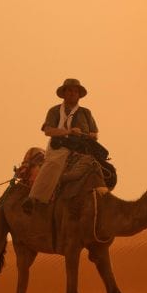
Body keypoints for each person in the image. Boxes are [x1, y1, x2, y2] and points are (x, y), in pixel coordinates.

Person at [24, 78, 99, 212]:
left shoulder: (86, 113)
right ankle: (34, 198)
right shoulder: (54, 111)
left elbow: (95, 134)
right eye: (69, 90)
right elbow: (48, 131)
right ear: (64, 93)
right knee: (54, 163)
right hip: (60, 146)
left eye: (75, 91)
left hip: (82, 149)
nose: (72, 93)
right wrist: (69, 132)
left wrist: (84, 135)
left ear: (79, 94)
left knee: (103, 169)